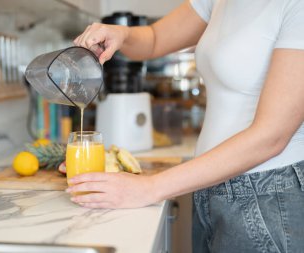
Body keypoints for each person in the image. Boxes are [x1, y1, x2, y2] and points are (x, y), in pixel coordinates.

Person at [68, 0, 304, 252]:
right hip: (208, 184)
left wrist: (150, 188)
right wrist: (121, 33)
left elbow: (272, 136)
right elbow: (156, 39)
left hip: (268, 194)